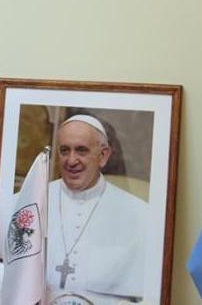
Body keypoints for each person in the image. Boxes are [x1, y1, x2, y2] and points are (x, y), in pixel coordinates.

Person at [46, 115, 147, 305]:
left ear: (103, 156)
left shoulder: (141, 215)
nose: (71, 160)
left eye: (81, 150)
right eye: (64, 150)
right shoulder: (33, 202)